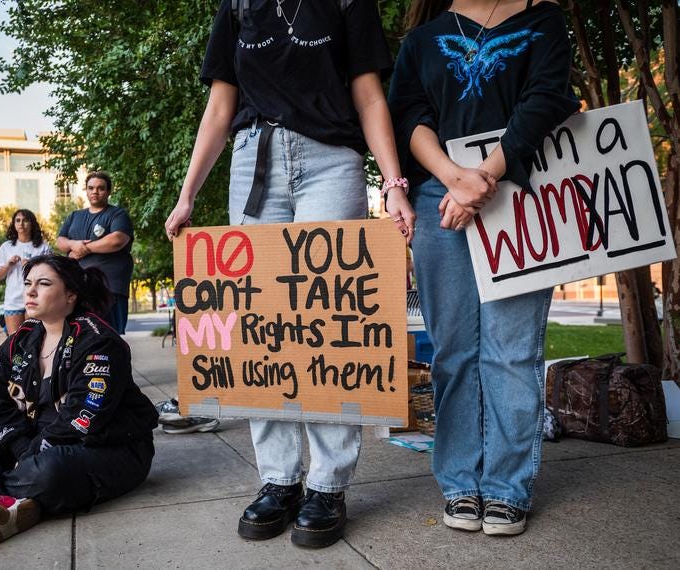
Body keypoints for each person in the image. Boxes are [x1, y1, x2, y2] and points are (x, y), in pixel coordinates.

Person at [164, 0, 414, 548]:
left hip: (330, 159)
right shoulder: (238, 6)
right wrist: (187, 196)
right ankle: (278, 479)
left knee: (325, 319)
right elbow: (219, 107)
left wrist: (393, 185)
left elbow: (368, 93)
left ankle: (327, 485)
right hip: (254, 162)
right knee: (259, 327)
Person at [388, 0, 580, 536]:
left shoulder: (543, 21)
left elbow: (545, 102)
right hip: (437, 201)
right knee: (452, 351)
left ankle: (507, 488)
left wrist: (485, 177)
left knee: (512, 351)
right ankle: (459, 482)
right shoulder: (422, 40)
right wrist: (454, 178)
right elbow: (408, 116)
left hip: (522, 196)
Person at [0, 254, 158, 546]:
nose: (30, 291)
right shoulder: (23, 338)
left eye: (43, 284)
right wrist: (21, 449)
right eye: (28, 283)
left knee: (50, 471)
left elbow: (81, 419)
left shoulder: (99, 342)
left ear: (71, 294)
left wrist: (28, 456)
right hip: (31, 444)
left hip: (105, 448)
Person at [56, 171, 134, 334]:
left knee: (109, 336)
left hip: (109, 288)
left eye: (100, 188)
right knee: (78, 336)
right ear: (86, 190)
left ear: (109, 191)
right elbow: (60, 242)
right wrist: (73, 244)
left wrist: (84, 249)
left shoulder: (118, 214)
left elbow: (117, 240)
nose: (95, 192)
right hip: (78, 288)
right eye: (91, 188)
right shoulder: (75, 216)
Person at [0, 209, 52, 334]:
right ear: (14, 224)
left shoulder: (43, 247)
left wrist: (31, 266)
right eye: (18, 220)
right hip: (13, 299)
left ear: (32, 224)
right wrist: (8, 265)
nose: (21, 224)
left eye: (25, 220)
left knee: (36, 339)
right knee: (14, 341)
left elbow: (50, 274)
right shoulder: (6, 247)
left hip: (36, 298)